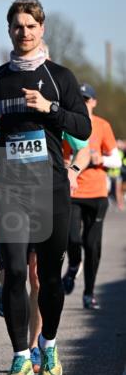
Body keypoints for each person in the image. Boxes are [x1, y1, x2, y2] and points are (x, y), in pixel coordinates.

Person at [0, 0, 91, 375]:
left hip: (51, 189)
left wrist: (50, 108)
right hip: (10, 189)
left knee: (50, 279)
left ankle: (50, 346)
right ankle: (20, 357)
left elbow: (83, 129)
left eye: (30, 25)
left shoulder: (60, 77)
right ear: (9, 30)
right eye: (17, 26)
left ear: (42, 30)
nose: (23, 32)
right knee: (15, 272)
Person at [62, 83, 120, 309]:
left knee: (92, 245)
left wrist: (100, 160)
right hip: (73, 193)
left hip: (97, 195)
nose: (83, 103)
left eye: (87, 100)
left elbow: (115, 158)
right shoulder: (66, 124)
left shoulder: (102, 126)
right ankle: (74, 264)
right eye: (80, 99)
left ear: (94, 102)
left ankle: (89, 293)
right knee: (72, 239)